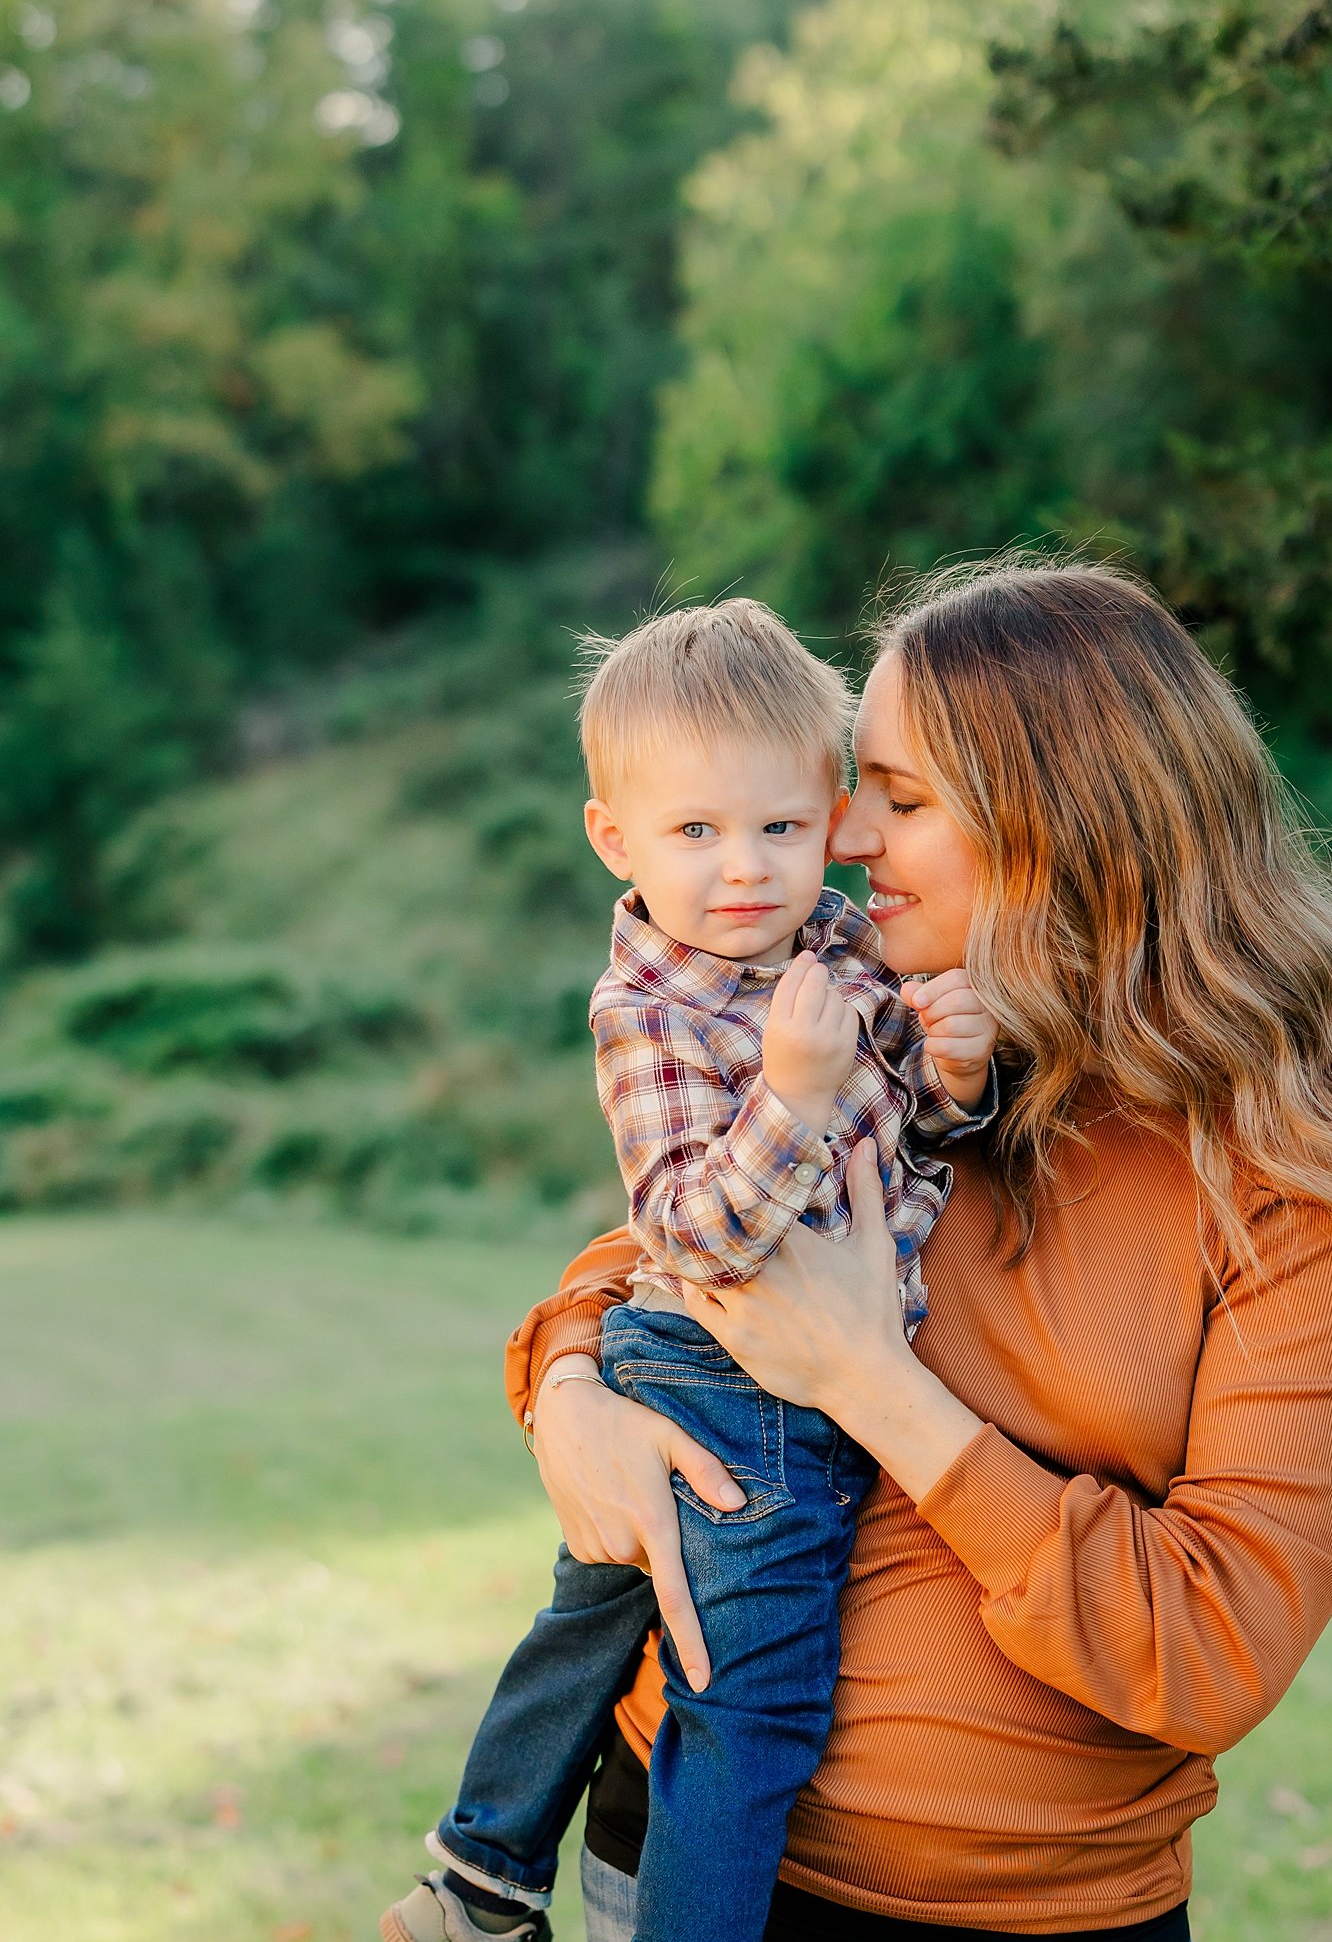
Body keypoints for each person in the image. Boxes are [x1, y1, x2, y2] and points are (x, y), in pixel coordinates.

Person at [507, 557, 1332, 1942]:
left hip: (1018, 1913)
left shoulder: (1299, 1189)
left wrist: (877, 1387)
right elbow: (661, 1240)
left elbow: (1208, 1646)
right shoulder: (922, 1048)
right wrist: (565, 1385)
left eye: (900, 799)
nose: (844, 832)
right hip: (680, 1855)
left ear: (1062, 826)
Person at [383, 600, 1000, 1942]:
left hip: (718, 1356)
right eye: (697, 832)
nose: (745, 870)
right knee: (750, 1704)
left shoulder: (839, 944)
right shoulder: (649, 1009)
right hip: (743, 1377)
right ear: (616, 837)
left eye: (779, 827)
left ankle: (479, 1878)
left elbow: (911, 1148)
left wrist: (953, 1075)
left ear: (832, 815)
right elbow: (701, 1233)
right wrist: (789, 1094)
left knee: (596, 1611)